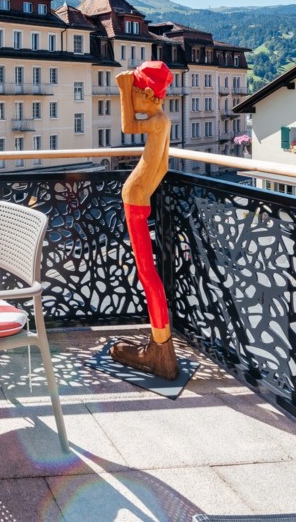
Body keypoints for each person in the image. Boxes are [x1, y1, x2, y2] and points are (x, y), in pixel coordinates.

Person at [110, 60, 179, 380]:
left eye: (137, 91)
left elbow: (127, 126)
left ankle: (160, 350)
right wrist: (147, 186)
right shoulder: (163, 120)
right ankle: (160, 346)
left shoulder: (153, 122)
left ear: (149, 95)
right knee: (149, 273)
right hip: (142, 195)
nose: (134, 97)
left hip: (134, 197)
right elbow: (162, 167)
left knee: (148, 275)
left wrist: (123, 91)